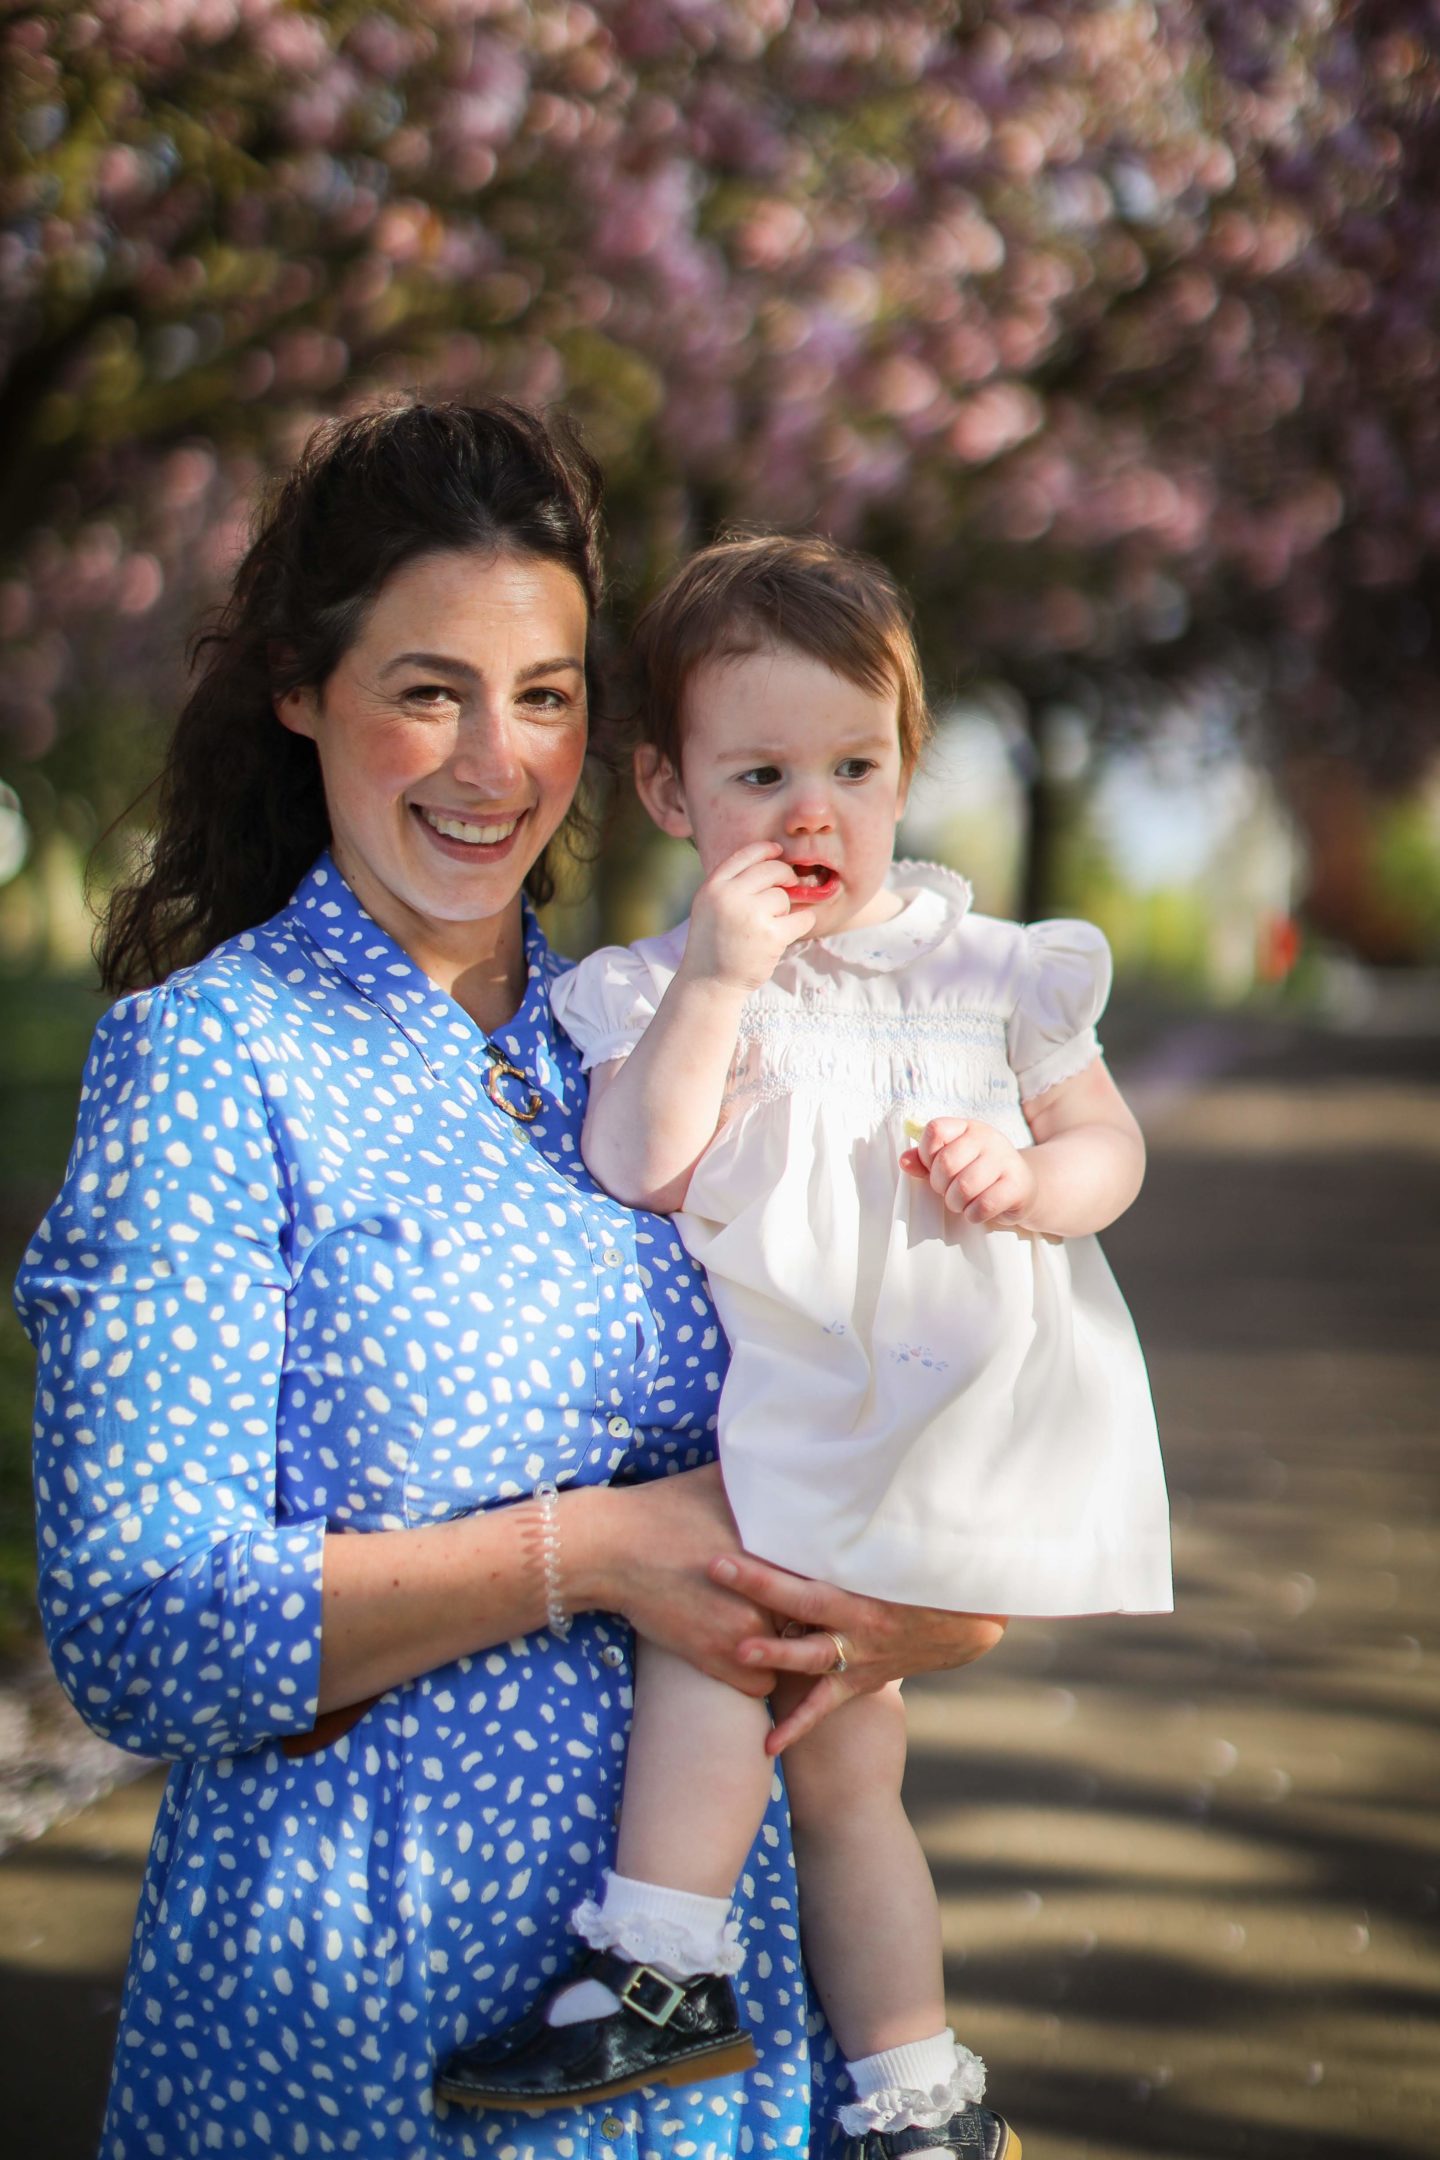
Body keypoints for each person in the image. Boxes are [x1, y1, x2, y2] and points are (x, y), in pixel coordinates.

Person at [14, 403, 1007, 2160]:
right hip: (361, 2014)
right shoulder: (212, 1060)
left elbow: (882, 1399)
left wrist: (936, 1601)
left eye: (543, 696)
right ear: (301, 692)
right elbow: (139, 1631)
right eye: (429, 690)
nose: (494, 762)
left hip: (720, 2054)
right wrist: (598, 1553)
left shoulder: (656, 1033)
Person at [440, 535, 1171, 2160]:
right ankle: (918, 2094)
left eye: (854, 768)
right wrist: (719, 980)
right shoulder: (670, 988)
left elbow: (1109, 1144)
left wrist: (1037, 1183)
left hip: (934, 1413)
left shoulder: (994, 972)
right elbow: (642, 1164)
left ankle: (658, 1963)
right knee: (842, 1770)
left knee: (724, 1645)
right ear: (668, 790)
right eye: (760, 775)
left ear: (908, 767)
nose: (811, 814)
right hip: (810, 1417)